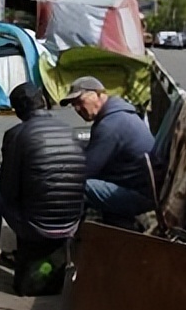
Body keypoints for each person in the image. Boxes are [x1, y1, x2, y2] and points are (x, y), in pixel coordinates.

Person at [0, 83, 86, 273]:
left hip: (37, 227)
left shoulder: (16, 135)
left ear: (17, 111)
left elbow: (7, 191)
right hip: (71, 223)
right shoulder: (70, 131)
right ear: (43, 102)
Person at [61, 76, 156, 227]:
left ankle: (68, 231)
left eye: (80, 101)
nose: (77, 109)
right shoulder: (120, 113)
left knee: (78, 186)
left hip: (140, 196)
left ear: (97, 94)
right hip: (139, 186)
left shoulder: (110, 125)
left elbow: (87, 171)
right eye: (74, 105)